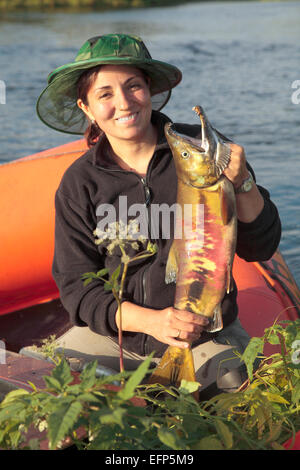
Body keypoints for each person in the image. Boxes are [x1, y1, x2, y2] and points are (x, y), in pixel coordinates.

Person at [37, 33, 281, 398]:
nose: (123, 103)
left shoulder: (202, 152)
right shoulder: (79, 183)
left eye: (133, 86)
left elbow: (261, 246)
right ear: (86, 107)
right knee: (42, 389)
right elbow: (77, 288)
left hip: (205, 332)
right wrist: (153, 321)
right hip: (117, 337)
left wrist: (242, 182)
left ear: (149, 89)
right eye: (105, 94)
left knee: (238, 392)